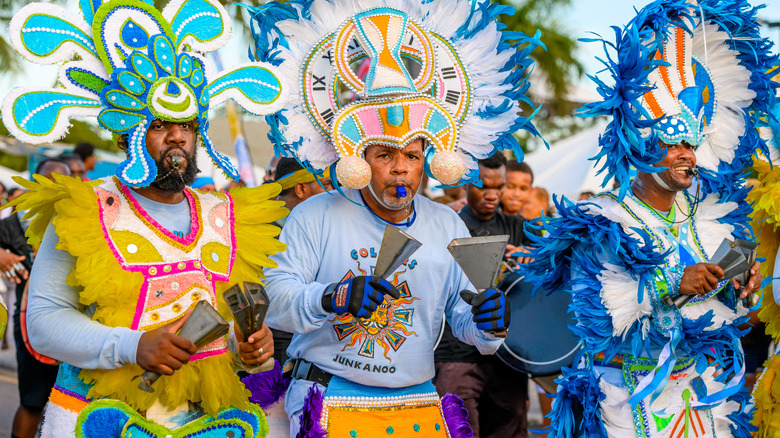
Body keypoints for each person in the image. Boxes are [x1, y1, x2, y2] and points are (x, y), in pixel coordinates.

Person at [249, 0, 542, 434]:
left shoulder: (446, 224)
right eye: (385, 154)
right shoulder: (316, 214)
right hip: (328, 401)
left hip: (416, 405)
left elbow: (464, 321)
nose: (400, 168)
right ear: (360, 158)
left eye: (412, 154)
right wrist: (331, 298)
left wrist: (489, 323)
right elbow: (275, 301)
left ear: (428, 159)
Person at [2, 0, 289, 436]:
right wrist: (132, 345)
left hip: (214, 420)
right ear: (128, 135)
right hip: (106, 418)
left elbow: (231, 325)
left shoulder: (227, 216)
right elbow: (43, 322)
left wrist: (253, 348)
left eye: (188, 125)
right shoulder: (86, 211)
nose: (177, 136)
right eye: (159, 125)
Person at [522, 1, 776, 436]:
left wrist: (741, 287)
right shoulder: (603, 221)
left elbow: (724, 315)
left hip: (699, 394)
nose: (687, 154)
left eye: (692, 145)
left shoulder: (708, 218)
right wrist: (673, 285)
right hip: (625, 397)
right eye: (674, 142)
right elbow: (597, 316)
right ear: (640, 147)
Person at [434, 152, 535, 438]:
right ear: (466, 183)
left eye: (498, 187)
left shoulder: (518, 228)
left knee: (511, 427)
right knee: (458, 431)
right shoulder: (447, 225)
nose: (492, 195)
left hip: (507, 356)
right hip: (455, 355)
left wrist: (535, 257)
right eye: (483, 186)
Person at [9, 158, 69, 438]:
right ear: (34, 182)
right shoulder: (12, 224)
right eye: (47, 180)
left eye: (62, 181)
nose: (53, 188)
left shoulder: (79, 224)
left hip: (71, 325)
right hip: (29, 322)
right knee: (32, 402)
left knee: (63, 405)